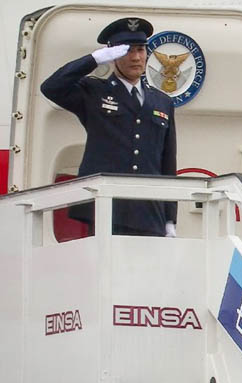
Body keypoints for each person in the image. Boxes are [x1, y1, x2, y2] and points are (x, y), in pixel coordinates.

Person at [41, 17, 177, 237]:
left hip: (149, 211)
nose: (135, 57)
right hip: (108, 209)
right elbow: (51, 87)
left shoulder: (162, 102)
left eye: (141, 50)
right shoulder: (94, 92)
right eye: (127, 50)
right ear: (112, 55)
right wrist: (93, 60)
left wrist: (170, 217)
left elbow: (167, 163)